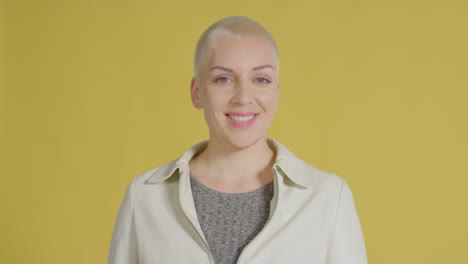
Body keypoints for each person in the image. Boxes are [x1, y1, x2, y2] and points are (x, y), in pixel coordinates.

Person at [108, 16, 367, 264]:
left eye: (260, 79)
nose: (243, 97)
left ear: (276, 93)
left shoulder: (328, 198)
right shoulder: (143, 196)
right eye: (223, 79)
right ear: (197, 93)